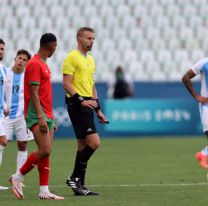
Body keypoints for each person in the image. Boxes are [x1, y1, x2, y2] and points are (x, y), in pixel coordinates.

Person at [9, 33, 64, 200]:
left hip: (47, 114)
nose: (54, 50)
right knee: (45, 149)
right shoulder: (34, 64)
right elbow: (33, 93)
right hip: (36, 114)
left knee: (46, 152)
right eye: (54, 48)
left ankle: (44, 191)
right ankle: (18, 178)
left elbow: (44, 93)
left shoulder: (43, 64)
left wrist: (50, 116)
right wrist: (40, 116)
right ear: (50, 47)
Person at [62, 27, 108, 196]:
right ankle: (74, 177)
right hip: (77, 105)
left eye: (93, 38)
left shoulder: (91, 60)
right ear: (79, 39)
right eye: (88, 38)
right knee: (94, 143)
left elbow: (92, 86)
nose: (92, 41)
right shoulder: (71, 58)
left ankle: (79, 185)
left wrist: (98, 110)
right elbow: (67, 84)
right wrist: (82, 101)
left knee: (82, 146)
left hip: (87, 105)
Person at [3, 49, 34, 176]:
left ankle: (18, 177)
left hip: (22, 116)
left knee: (22, 144)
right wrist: (4, 106)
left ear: (27, 63)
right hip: (6, 115)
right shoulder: (4, 73)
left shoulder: (28, 77)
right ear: (15, 59)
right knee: (1, 143)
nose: (21, 61)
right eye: (19, 58)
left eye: (24, 60)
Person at [182, 58, 208, 169]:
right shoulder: (204, 63)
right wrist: (196, 96)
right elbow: (185, 78)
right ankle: (203, 154)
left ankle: (203, 154)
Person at [0, 38, 9, 190]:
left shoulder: (3, 69)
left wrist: (5, 105)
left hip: (1, 111)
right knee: (2, 141)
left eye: (2, 49)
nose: (0, 51)